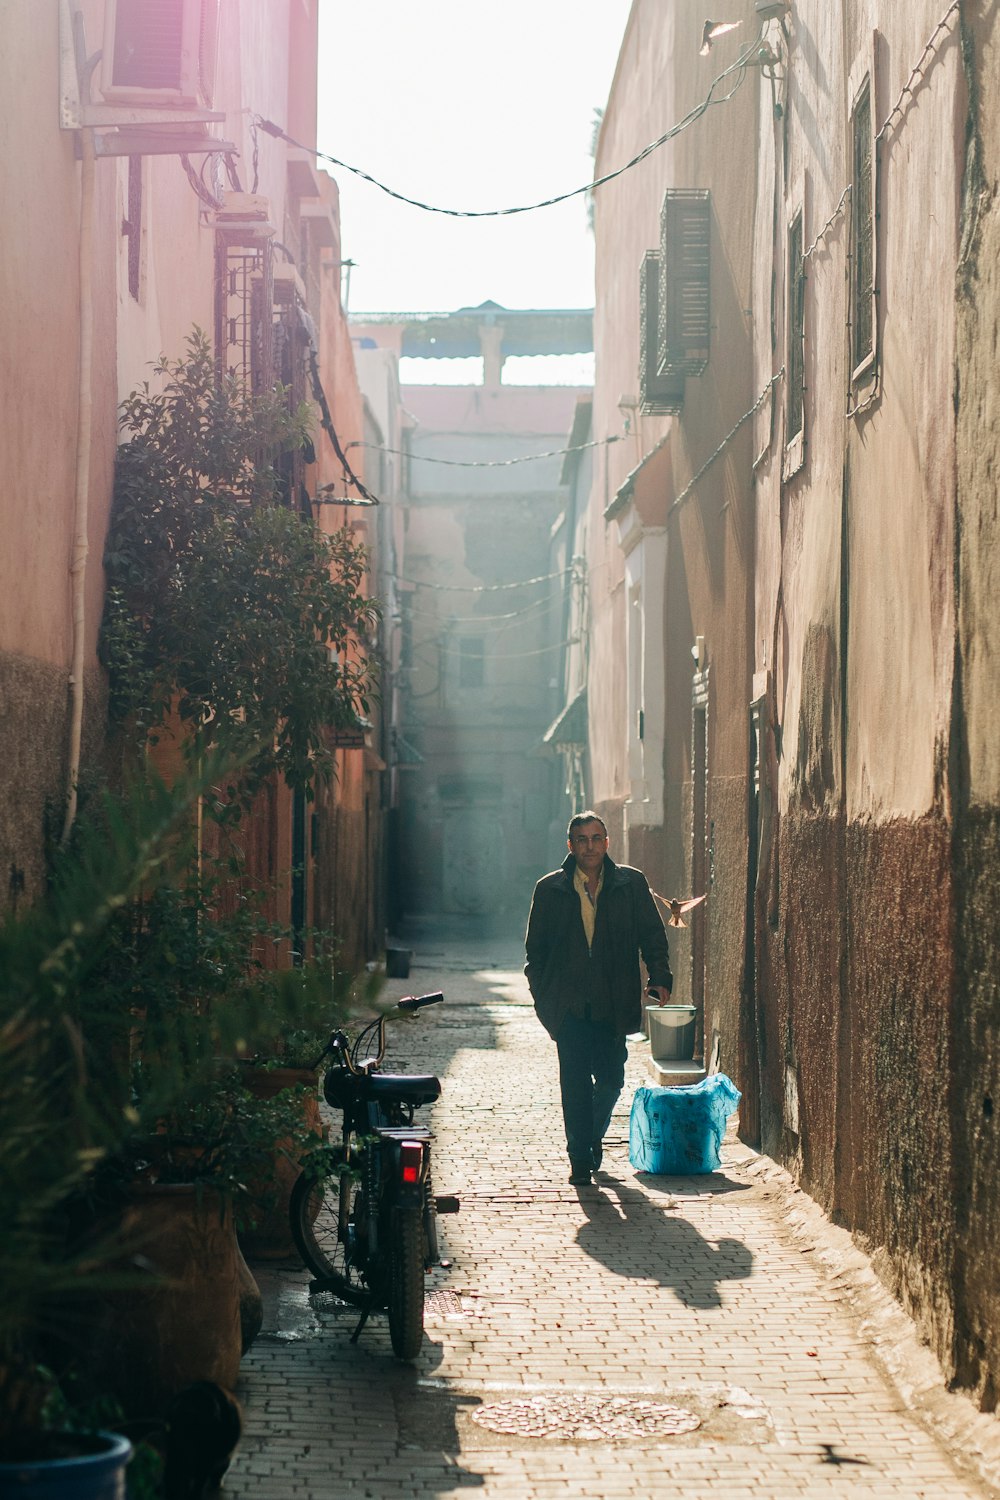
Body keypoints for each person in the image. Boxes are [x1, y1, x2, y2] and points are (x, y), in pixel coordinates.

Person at [524, 811, 673, 1186]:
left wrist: (659, 977)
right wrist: (545, 1002)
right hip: (568, 1006)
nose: (589, 846)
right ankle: (579, 1157)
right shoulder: (550, 889)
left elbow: (652, 936)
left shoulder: (630, 884)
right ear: (570, 845)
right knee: (573, 1085)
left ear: (607, 843)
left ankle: (590, 1137)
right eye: (581, 839)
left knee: (611, 1081)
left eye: (595, 838)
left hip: (612, 1001)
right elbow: (535, 954)